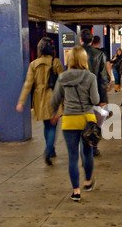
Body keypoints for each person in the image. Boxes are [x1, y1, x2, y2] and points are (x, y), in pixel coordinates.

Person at [51, 46, 99, 202]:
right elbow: (96, 100)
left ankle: (76, 191)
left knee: (72, 156)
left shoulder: (63, 77)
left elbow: (55, 99)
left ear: (70, 59)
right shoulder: (91, 77)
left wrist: (55, 112)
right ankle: (88, 182)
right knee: (87, 152)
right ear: (84, 59)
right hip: (87, 119)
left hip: (70, 119)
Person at [16, 37, 64, 166]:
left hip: (39, 98)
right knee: (53, 126)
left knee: (46, 125)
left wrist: (21, 101)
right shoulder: (56, 62)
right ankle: (48, 150)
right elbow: (63, 82)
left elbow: (28, 84)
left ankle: (51, 150)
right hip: (54, 96)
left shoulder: (33, 64)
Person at [80, 29, 108, 157]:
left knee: (81, 122)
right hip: (95, 93)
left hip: (78, 94)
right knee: (95, 121)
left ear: (80, 39)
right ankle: (93, 148)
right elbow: (102, 78)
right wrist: (103, 98)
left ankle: (83, 150)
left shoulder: (75, 54)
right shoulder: (100, 54)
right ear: (92, 40)